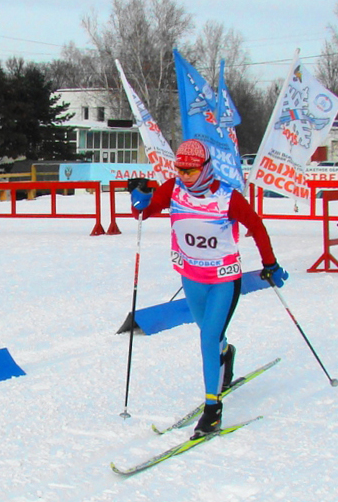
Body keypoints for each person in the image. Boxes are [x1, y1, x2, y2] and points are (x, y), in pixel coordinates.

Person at [130, 139, 286, 437]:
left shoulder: (228, 197)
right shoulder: (172, 189)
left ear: (205, 167)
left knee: (207, 337)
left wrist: (271, 264)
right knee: (211, 337)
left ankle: (212, 410)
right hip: (191, 277)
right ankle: (226, 354)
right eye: (180, 170)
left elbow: (257, 226)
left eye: (190, 171)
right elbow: (144, 212)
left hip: (224, 280)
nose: (184, 176)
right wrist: (139, 200)